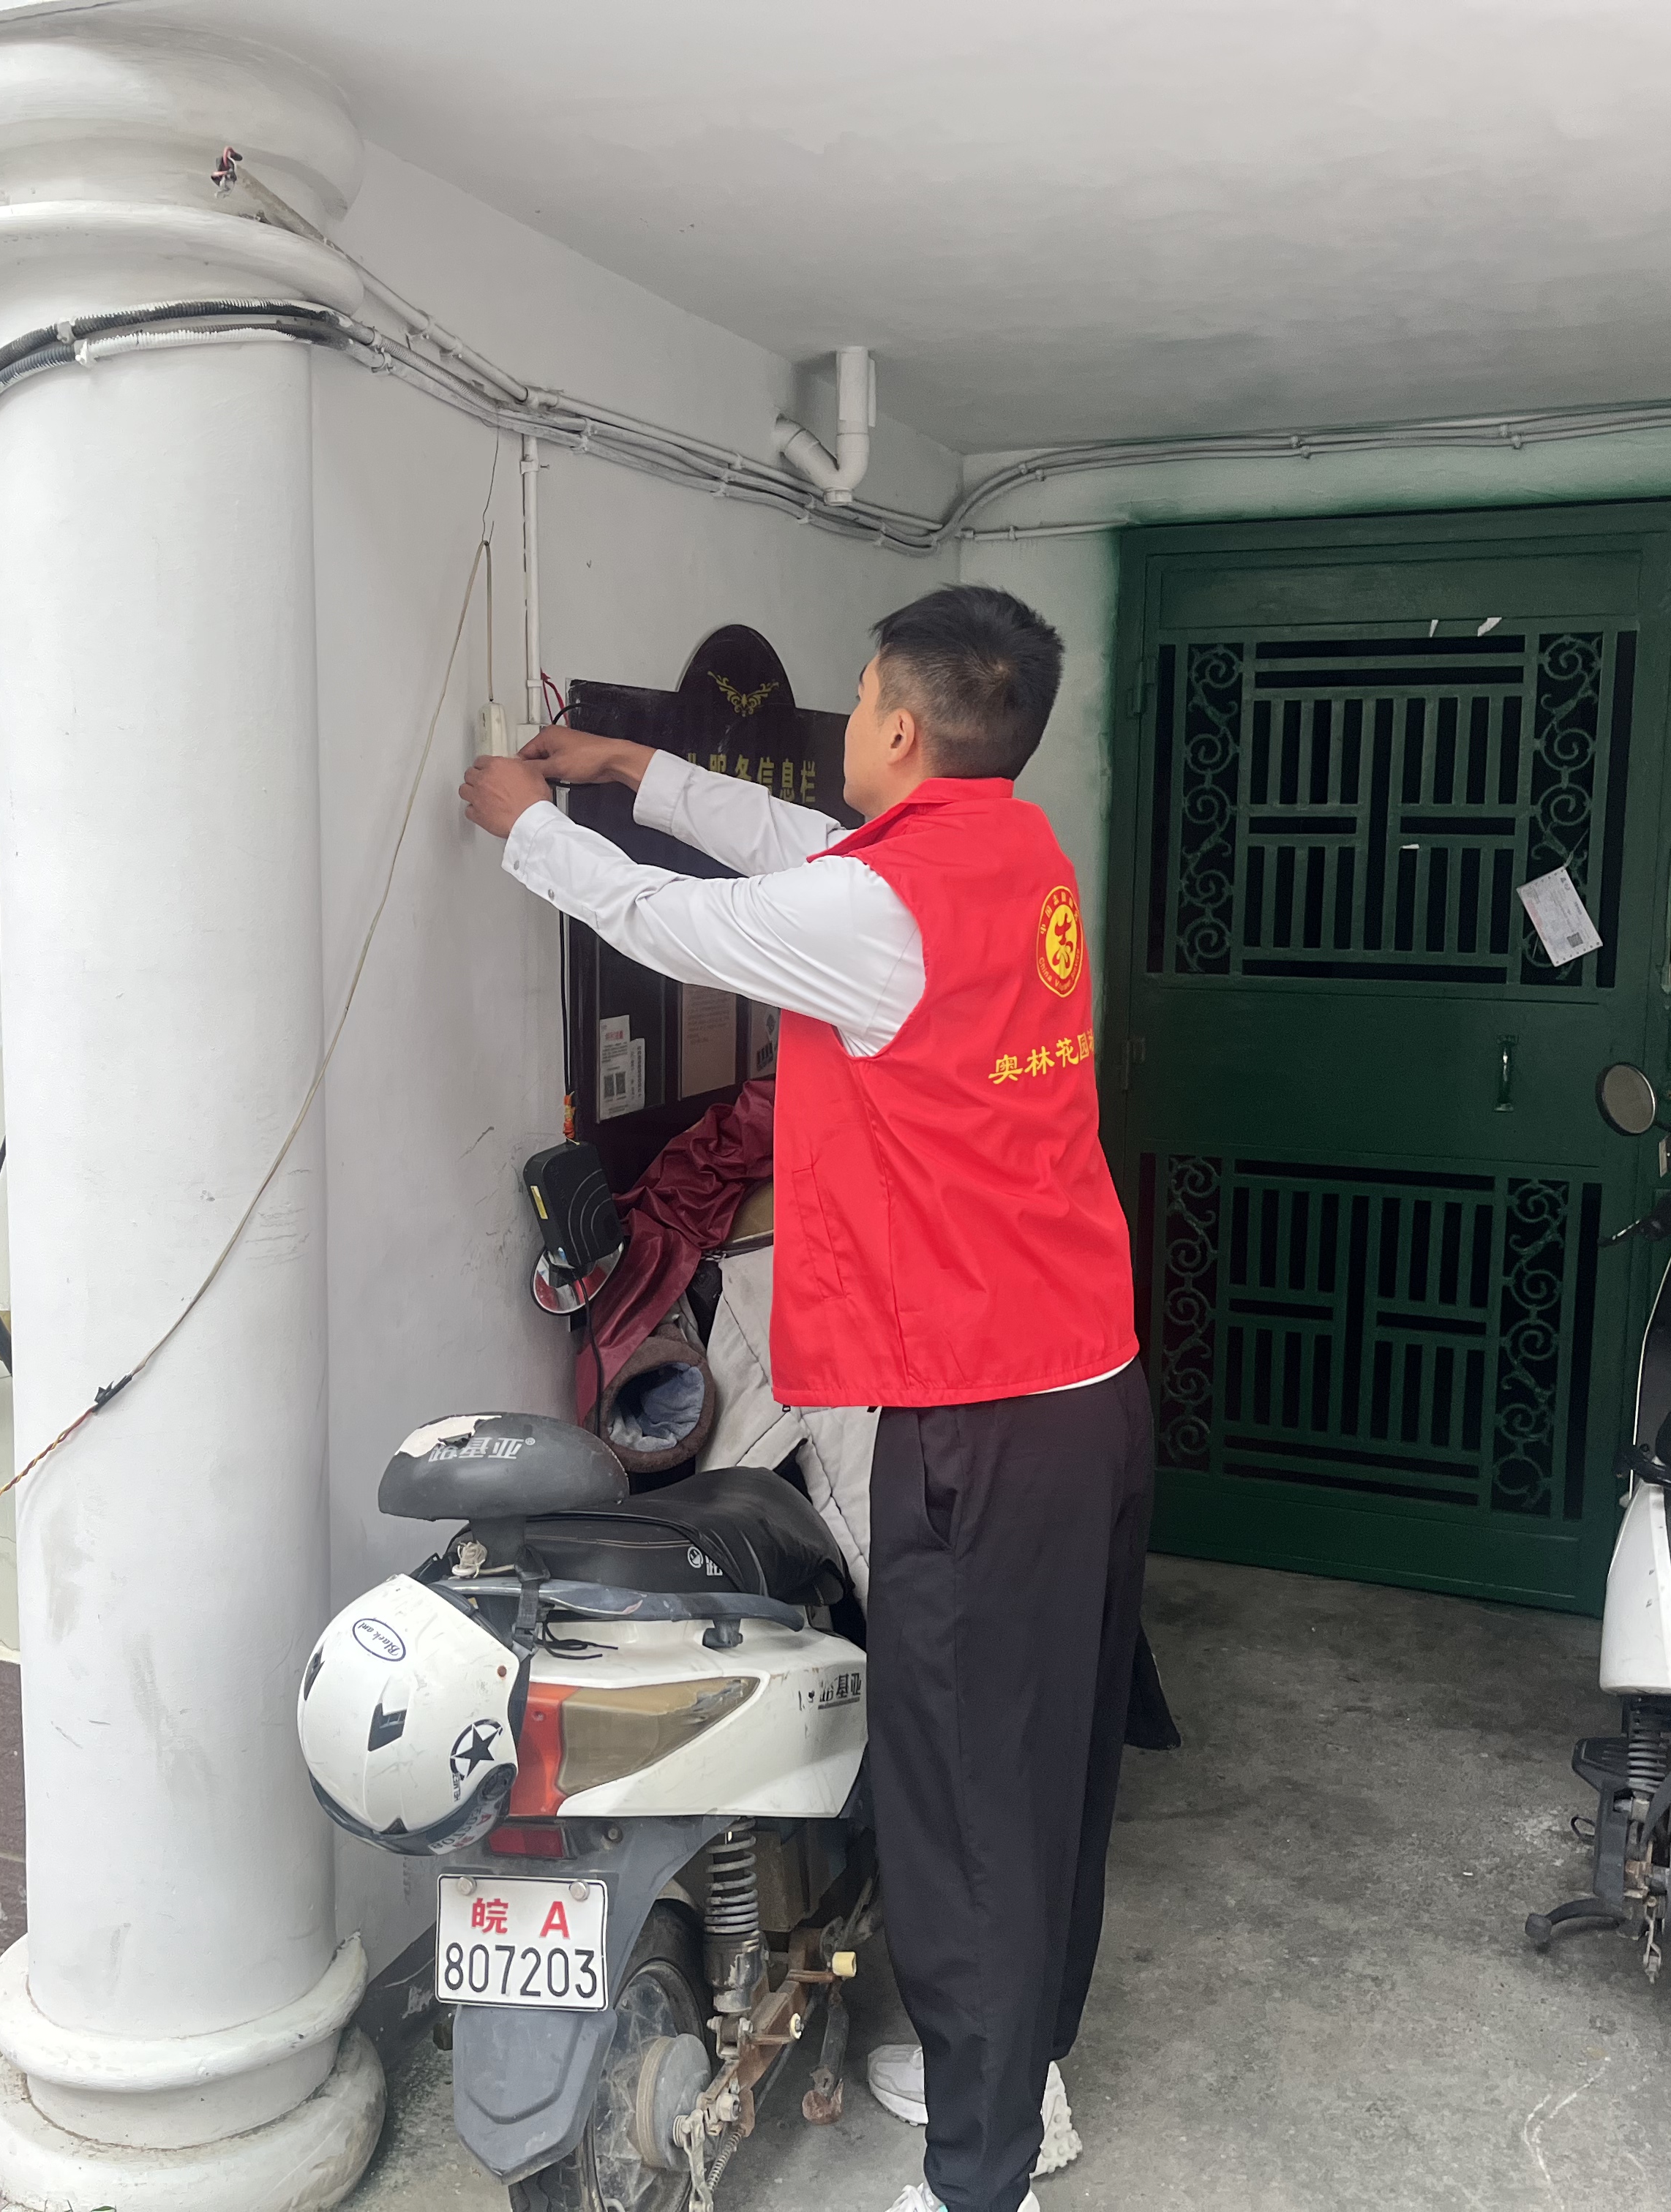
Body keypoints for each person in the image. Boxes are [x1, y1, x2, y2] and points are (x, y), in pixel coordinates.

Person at [459, 584, 1153, 2212]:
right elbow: (801, 852)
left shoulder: (883, 909)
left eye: (857, 697)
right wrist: (630, 766)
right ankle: (1018, 2077)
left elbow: (684, 925)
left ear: (899, 726)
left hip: (979, 1416)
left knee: (961, 1795)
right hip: (1085, 1390)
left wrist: (525, 827)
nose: (845, 723)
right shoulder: (1011, 853)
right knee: (1044, 1771)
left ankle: (982, 2176)